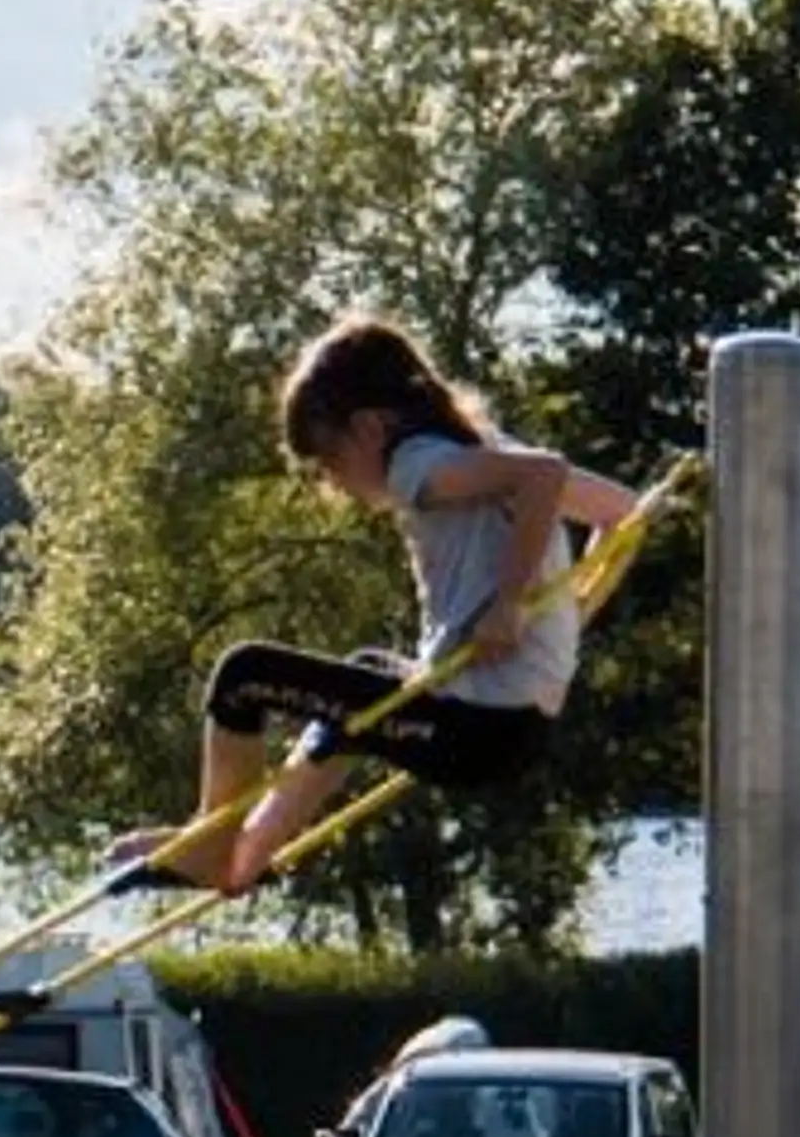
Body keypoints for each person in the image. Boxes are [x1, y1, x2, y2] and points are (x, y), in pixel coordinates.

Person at [114, 315, 646, 895]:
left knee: (244, 674)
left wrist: (513, 606)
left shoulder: (417, 462)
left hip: (476, 726)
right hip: (510, 726)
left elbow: (545, 476)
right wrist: (563, 617)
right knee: (365, 675)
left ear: (369, 426)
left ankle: (208, 845)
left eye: (328, 459)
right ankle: (243, 857)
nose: (332, 482)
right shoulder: (482, 450)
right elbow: (623, 512)